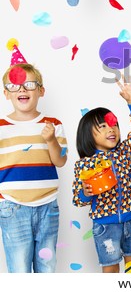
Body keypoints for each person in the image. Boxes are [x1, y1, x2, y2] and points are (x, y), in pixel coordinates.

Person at [72, 77, 131, 273]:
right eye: (103, 126)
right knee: (111, 270)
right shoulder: (85, 164)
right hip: (105, 226)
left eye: (113, 125)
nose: (111, 129)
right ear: (88, 134)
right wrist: (85, 193)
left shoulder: (125, 152)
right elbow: (78, 199)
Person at [0, 63, 67, 273]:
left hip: (48, 206)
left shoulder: (53, 124)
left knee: (46, 266)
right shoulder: (1, 127)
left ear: (41, 90)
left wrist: (51, 140)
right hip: (13, 206)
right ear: (6, 93)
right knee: (19, 268)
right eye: (15, 85)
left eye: (28, 84)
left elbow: (60, 161)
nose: (22, 89)